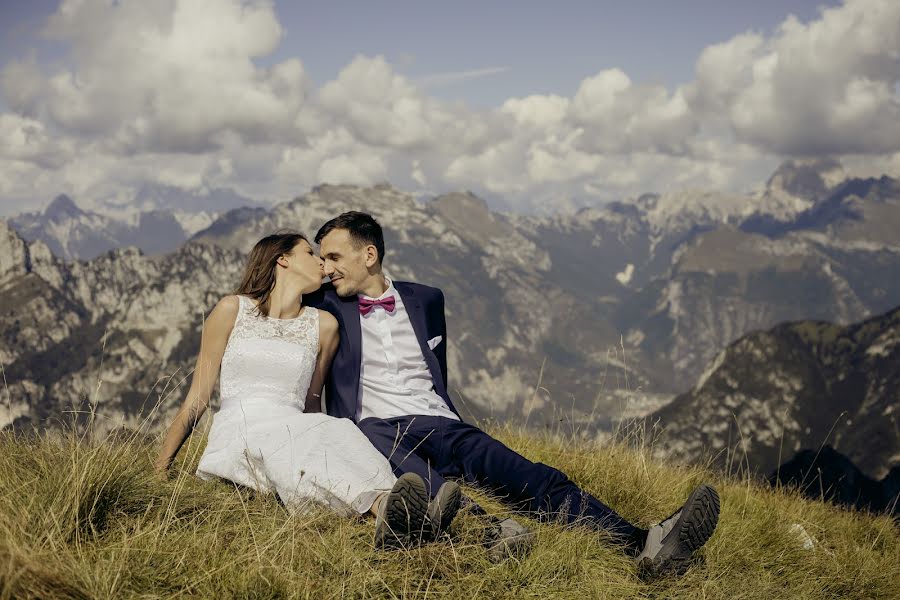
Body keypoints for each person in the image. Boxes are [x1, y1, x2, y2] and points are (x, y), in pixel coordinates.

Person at [308, 212, 721, 577]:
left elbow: (439, 369)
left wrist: (446, 414)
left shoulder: (426, 299)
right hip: (378, 428)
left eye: (333, 257)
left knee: (532, 476)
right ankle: (491, 530)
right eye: (321, 259)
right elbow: (277, 290)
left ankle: (643, 542)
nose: (326, 268)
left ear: (369, 255)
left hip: (444, 424)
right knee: (406, 466)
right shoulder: (325, 303)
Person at [154, 231, 461, 549]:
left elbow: (312, 403)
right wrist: (161, 468)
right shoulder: (232, 309)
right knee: (292, 440)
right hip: (241, 430)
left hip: (294, 423)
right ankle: (398, 512)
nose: (323, 264)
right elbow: (197, 399)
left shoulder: (324, 325)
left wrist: (330, 432)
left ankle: (398, 510)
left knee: (338, 430)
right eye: (311, 253)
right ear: (282, 260)